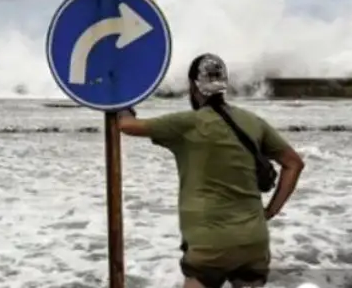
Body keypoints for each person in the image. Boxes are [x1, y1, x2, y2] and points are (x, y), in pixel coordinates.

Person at [117, 53, 305, 288]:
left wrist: (122, 103)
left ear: (193, 86)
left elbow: (126, 126)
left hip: (209, 246)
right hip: (253, 242)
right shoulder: (253, 122)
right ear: (223, 85)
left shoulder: (187, 123)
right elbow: (294, 163)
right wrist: (270, 211)